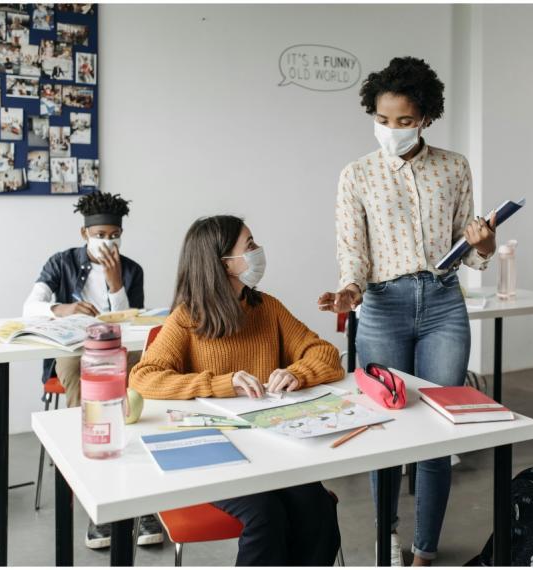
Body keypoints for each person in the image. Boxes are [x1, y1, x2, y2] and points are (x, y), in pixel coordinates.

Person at [318, 56, 496, 566]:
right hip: (381, 306)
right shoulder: (357, 175)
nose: (391, 129)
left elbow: (473, 248)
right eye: (381, 119)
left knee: (441, 429)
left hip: (443, 302)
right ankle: (385, 539)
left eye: (403, 120)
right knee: (384, 428)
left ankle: (424, 549)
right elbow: (352, 249)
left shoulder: (454, 166)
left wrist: (484, 244)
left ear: (425, 118)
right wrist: (349, 289)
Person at [130, 215, 343, 566]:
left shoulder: (267, 307)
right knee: (265, 515)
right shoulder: (187, 318)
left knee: (317, 509)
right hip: (215, 453)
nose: (259, 252)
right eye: (250, 245)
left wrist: (298, 373)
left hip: (271, 446)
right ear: (223, 264)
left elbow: (324, 353)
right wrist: (221, 383)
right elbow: (143, 377)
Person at [21, 191, 162, 549]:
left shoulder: (131, 270)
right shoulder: (61, 262)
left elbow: (132, 322)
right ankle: (98, 496)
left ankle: (142, 495)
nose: (107, 241)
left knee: (143, 379)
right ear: (85, 234)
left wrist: (116, 283)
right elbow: (30, 307)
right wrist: (62, 310)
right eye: (100, 235)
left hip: (119, 348)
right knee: (84, 377)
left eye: (114, 235)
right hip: (75, 350)